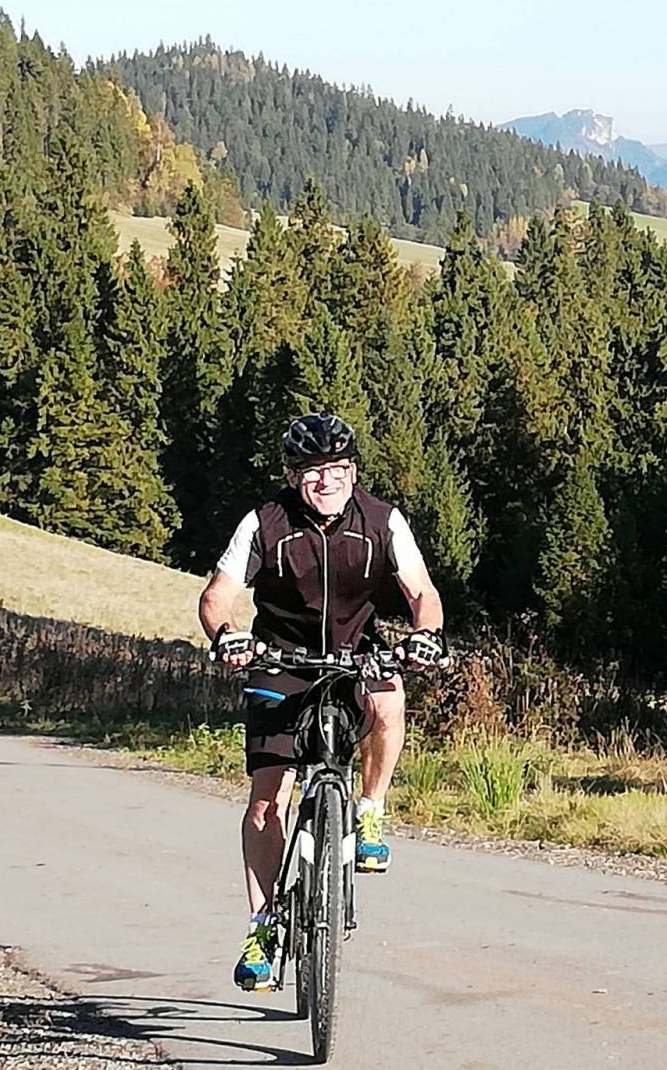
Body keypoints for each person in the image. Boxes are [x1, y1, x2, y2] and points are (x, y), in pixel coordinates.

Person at [197, 411, 448, 990]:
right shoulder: (265, 523)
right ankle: (262, 928)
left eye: (336, 468)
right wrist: (227, 635)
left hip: (357, 654)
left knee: (389, 700)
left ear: (353, 471)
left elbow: (421, 591)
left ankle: (370, 810)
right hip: (280, 661)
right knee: (268, 802)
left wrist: (427, 635)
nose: (326, 480)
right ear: (293, 476)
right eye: (311, 471)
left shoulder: (382, 521)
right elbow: (217, 596)